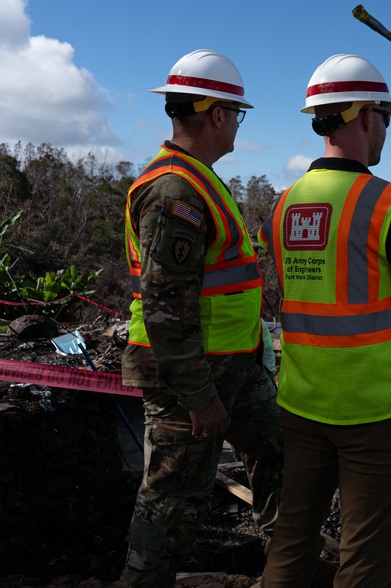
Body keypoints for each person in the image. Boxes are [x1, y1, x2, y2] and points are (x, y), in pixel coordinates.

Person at [259, 54, 391, 587]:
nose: (386, 127)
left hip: (300, 400)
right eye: (385, 116)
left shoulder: (283, 205)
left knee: (292, 537)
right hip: (373, 407)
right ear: (366, 116)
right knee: (366, 554)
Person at [121, 49, 283, 588]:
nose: (237, 123)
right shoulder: (174, 191)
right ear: (216, 115)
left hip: (235, 366)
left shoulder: (201, 179)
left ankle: (287, 564)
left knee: (279, 450)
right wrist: (199, 397)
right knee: (173, 499)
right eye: (237, 113)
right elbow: (167, 308)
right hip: (191, 376)